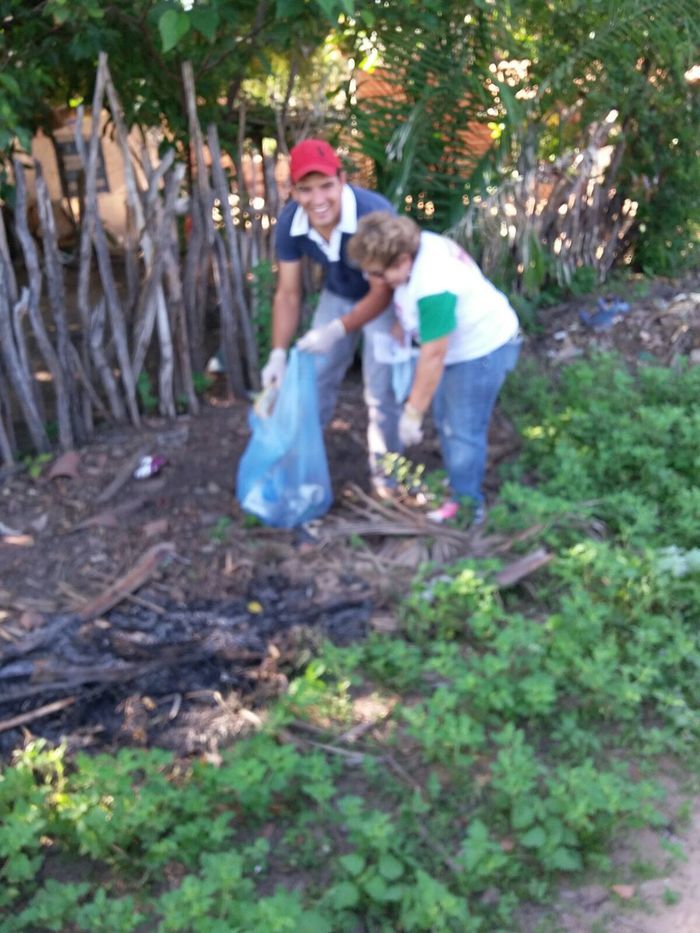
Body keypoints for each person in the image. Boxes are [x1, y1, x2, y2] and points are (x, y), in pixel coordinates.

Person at [301, 211, 521, 524]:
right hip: (462, 348)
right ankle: (461, 482)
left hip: (481, 352)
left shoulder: (433, 283)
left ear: (402, 260)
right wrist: (403, 326)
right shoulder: (420, 247)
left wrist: (412, 414)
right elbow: (408, 300)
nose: (371, 280)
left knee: (462, 430)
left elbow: (434, 354)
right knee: (446, 418)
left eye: (377, 273)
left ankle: (468, 508)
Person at [260, 139, 402, 497]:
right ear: (292, 191)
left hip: (387, 302)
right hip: (339, 294)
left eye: (326, 185)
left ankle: (389, 482)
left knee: (381, 390)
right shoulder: (291, 223)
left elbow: (385, 289)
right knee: (312, 379)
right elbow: (289, 292)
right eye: (305, 190)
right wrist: (278, 353)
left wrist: (338, 329)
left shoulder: (374, 213)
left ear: (342, 180)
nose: (317, 199)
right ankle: (302, 466)